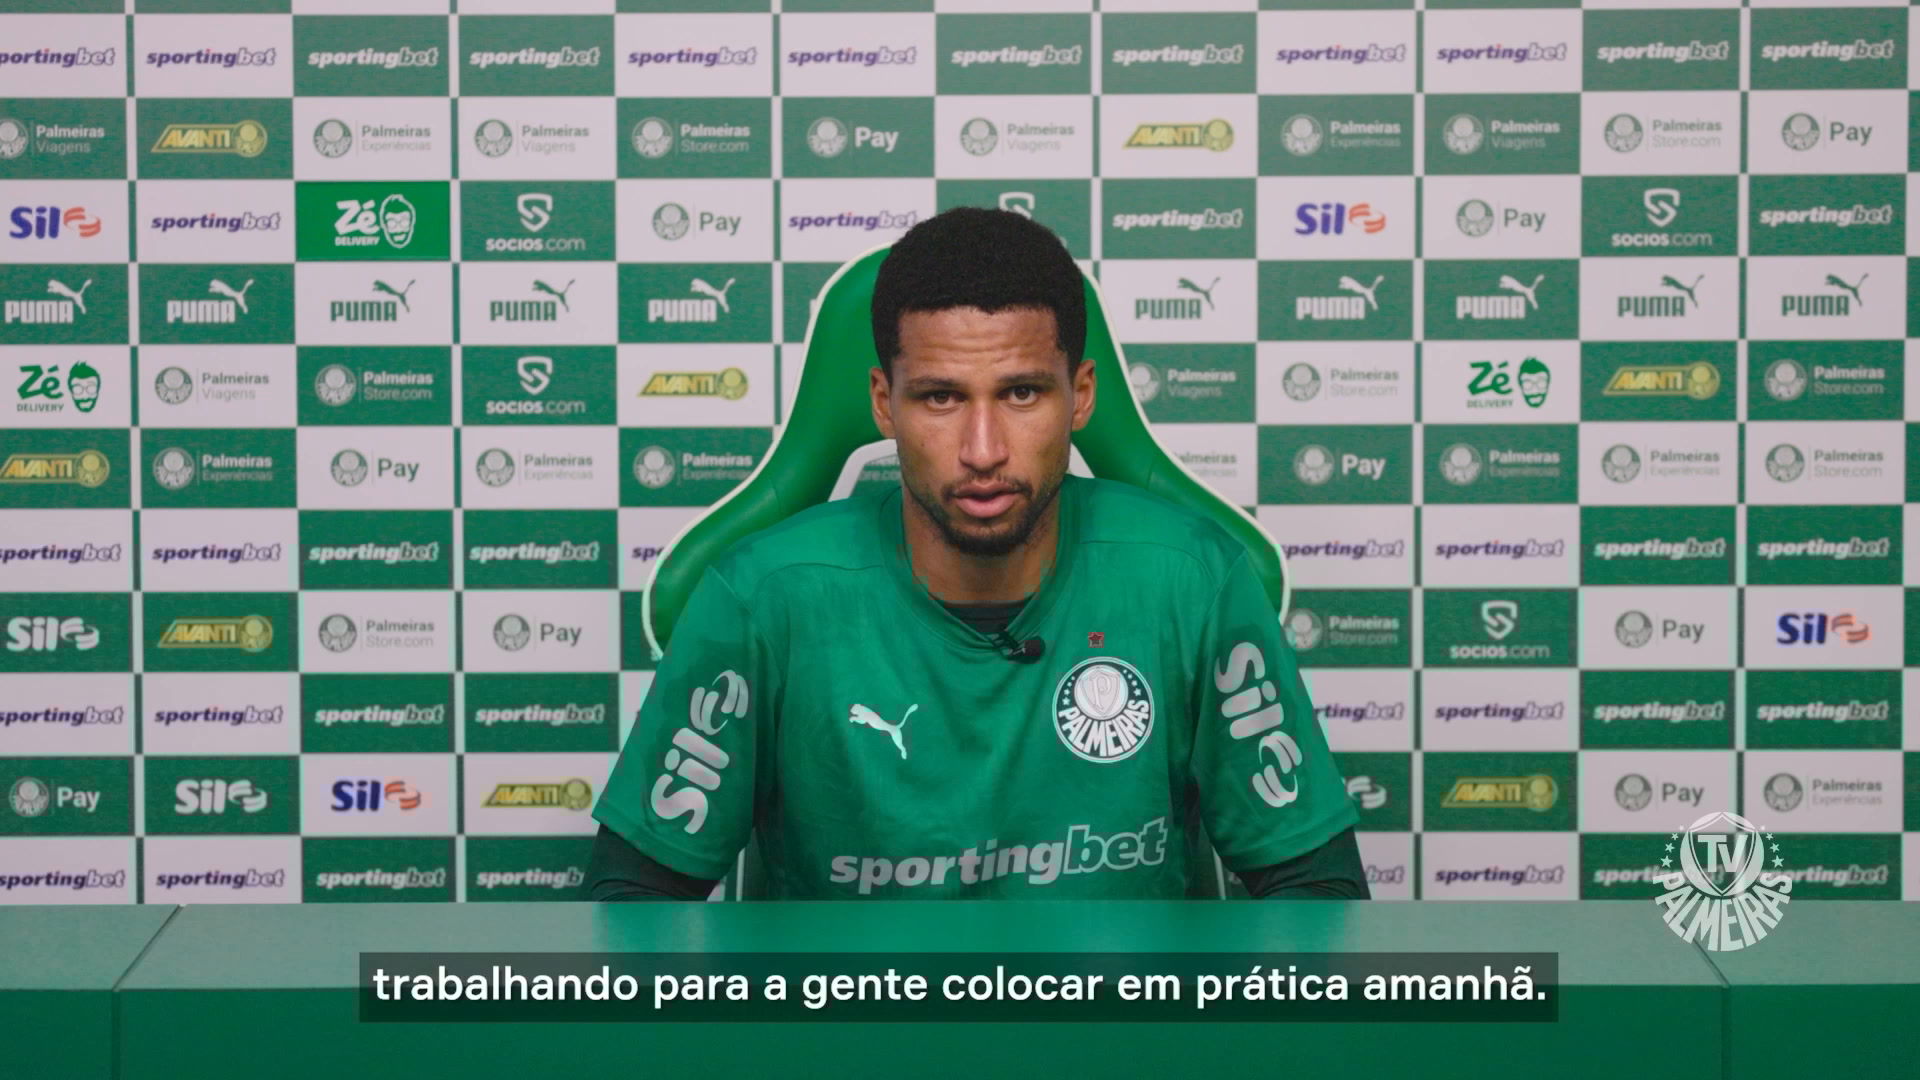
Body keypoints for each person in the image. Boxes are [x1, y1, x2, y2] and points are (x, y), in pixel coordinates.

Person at [585, 207, 1367, 900]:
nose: (983, 450)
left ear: (1082, 394)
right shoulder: (762, 596)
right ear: (884, 403)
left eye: (1022, 393)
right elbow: (633, 904)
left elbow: (1315, 887)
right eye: (940, 397)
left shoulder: (1192, 578)